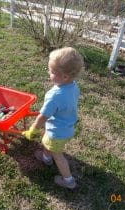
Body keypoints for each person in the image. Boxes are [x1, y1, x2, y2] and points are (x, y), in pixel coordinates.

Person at [23, 47, 84, 189]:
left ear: (64, 77)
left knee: (59, 156)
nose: (48, 73)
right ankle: (46, 158)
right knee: (46, 140)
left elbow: (43, 116)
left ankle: (68, 181)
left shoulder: (54, 96)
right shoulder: (74, 86)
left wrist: (33, 129)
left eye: (52, 72)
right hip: (67, 127)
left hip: (57, 133)